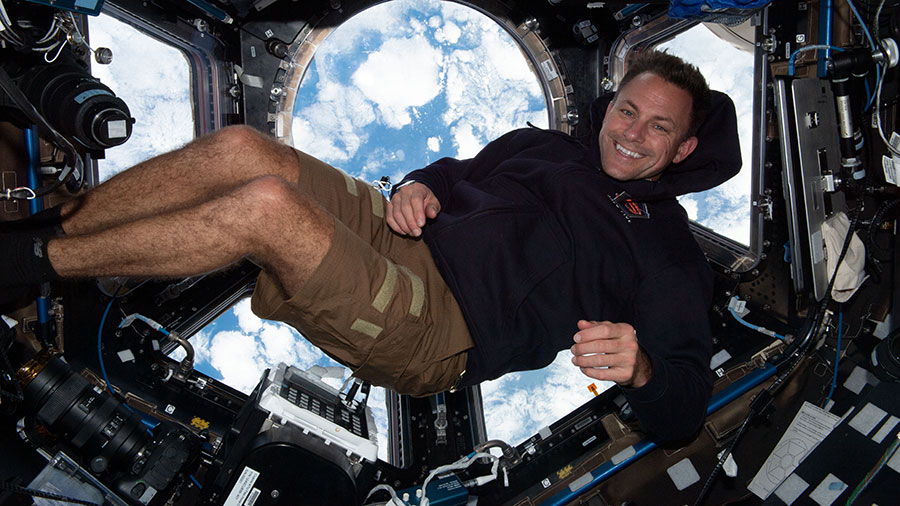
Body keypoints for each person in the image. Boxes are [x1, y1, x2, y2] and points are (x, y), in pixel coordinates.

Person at [1, 50, 740, 441]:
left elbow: (683, 411)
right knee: (241, 151)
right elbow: (454, 175)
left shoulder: (667, 249)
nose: (633, 133)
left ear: (683, 149)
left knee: (267, 210)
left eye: (659, 129)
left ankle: (23, 267)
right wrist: (419, 185)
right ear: (611, 106)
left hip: (446, 325)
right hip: (404, 236)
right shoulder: (544, 146)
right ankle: (51, 228)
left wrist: (642, 369)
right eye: (629, 111)